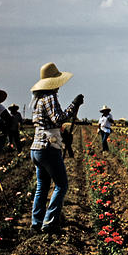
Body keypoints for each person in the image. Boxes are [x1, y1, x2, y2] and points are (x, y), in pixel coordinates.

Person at [29, 62, 83, 233]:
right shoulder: (50, 97)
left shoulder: (37, 100)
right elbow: (58, 119)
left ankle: (36, 223)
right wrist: (74, 104)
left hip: (36, 148)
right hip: (48, 147)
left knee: (42, 186)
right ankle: (49, 223)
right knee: (61, 185)